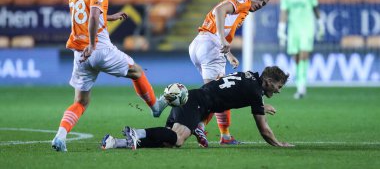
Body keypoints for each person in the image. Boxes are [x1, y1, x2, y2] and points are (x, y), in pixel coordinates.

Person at [51, 0, 167, 152]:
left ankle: (60, 136)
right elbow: (94, 16)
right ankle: (155, 107)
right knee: (137, 72)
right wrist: (93, 44)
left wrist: (111, 17)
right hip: (99, 49)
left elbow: (89, 16)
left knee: (80, 102)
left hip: (80, 56)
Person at [101, 66, 294, 150]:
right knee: (177, 140)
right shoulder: (254, 91)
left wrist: (260, 103)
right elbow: (263, 129)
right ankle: (137, 132)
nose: (278, 90)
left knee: (168, 141)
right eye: (278, 86)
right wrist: (278, 143)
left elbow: (239, 92)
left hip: (196, 99)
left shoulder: (251, 77)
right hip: (197, 103)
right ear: (268, 81)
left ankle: (116, 142)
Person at [188, 0, 271, 146]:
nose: (260, 4)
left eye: (264, 4)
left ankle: (224, 135)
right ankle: (198, 126)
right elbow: (220, 10)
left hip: (199, 44)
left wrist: (229, 55)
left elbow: (219, 24)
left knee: (220, 90)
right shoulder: (243, 2)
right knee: (215, 94)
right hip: (210, 45)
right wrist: (223, 39)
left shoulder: (243, 9)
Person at [277, 0, 325, 100]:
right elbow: (284, 12)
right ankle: (300, 84)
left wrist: (320, 24)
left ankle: (301, 86)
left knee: (304, 54)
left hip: (307, 27)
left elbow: (315, 8)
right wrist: (281, 28)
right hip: (293, 29)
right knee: (296, 57)